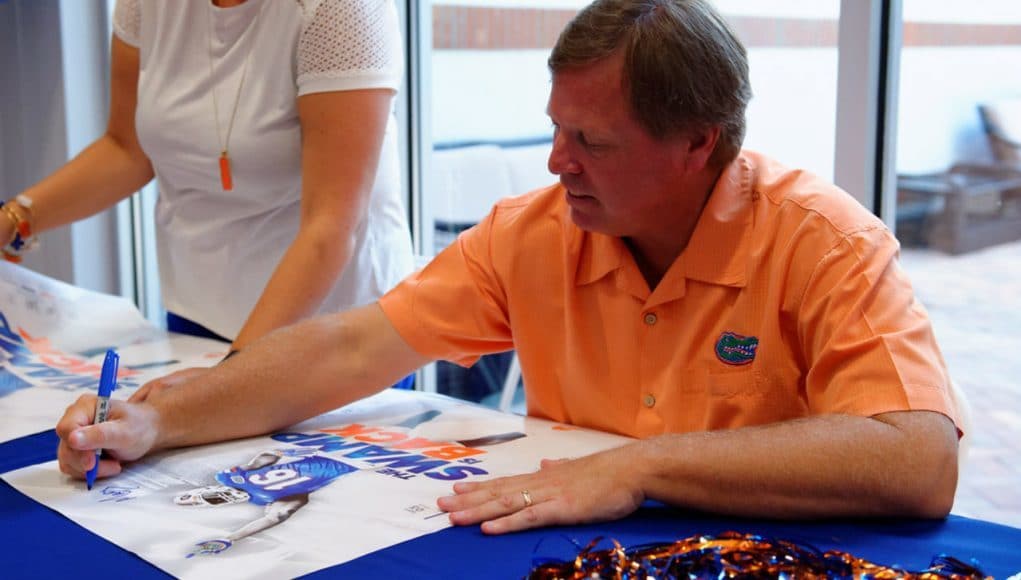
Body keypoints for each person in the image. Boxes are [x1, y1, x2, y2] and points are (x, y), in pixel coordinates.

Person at [57, 0, 961, 536]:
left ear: (698, 144)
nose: (556, 163)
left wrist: (640, 468)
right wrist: (156, 422)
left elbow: (918, 461)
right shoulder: (534, 231)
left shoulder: (824, 241)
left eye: (591, 143)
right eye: (555, 129)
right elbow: (346, 350)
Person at [0, 0, 414, 374]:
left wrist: (225, 384)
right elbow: (127, 149)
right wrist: (17, 217)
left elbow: (331, 226)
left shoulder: (339, 10)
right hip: (198, 313)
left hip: (332, 332)